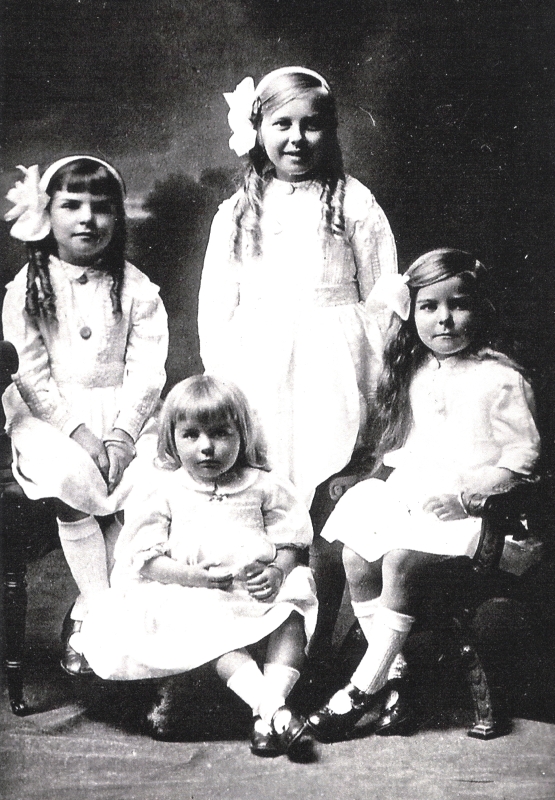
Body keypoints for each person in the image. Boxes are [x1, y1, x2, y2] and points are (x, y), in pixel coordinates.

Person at [198, 66, 397, 656]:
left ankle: (310, 645)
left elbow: (385, 289)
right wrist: (221, 374)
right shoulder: (237, 211)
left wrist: (373, 363)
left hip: (334, 367)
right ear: (257, 129)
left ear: (330, 133)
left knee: (321, 502)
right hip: (258, 368)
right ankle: (261, 636)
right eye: (282, 123)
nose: (296, 138)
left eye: (312, 126)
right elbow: (216, 300)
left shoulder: (354, 201)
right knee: (264, 497)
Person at [306, 248, 541, 742]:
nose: (445, 319)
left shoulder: (501, 379)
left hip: (476, 518)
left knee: (399, 561)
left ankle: (359, 690)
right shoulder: (415, 373)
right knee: (355, 555)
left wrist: (468, 498)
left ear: (482, 310)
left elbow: (523, 462)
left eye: (459, 304)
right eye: (429, 306)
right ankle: (395, 685)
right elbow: (405, 450)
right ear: (412, 313)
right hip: (417, 502)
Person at [79, 375, 318, 757]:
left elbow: (292, 542)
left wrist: (277, 572)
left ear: (242, 433)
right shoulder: (165, 489)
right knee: (212, 631)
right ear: (172, 438)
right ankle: (275, 711)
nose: (206, 447)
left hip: (255, 590)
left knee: (292, 611)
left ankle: (267, 714)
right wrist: (197, 578)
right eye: (191, 435)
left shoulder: (264, 485)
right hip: (195, 593)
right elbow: (147, 560)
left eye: (220, 434)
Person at [2, 156, 169, 676]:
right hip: (48, 418)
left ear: (119, 218)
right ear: (46, 213)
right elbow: (29, 375)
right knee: (71, 473)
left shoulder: (136, 288)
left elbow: (147, 372)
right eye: (71, 206)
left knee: (147, 478)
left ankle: (93, 610)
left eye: (102, 208)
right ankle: (99, 604)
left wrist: (120, 435)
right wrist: (78, 432)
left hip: (123, 414)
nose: (86, 220)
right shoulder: (28, 286)